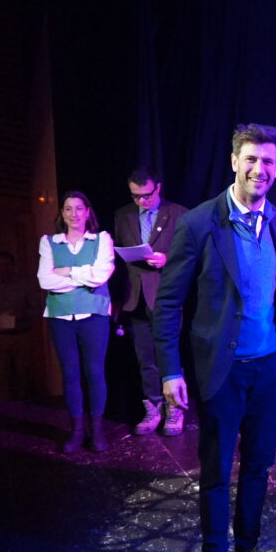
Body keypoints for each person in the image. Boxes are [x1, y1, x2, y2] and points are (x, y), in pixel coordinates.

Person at [154, 124, 276, 552]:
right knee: (215, 472)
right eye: (250, 158)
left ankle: (246, 551)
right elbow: (168, 303)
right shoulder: (198, 223)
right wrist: (170, 370)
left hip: (267, 367)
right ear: (234, 161)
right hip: (221, 369)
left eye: (268, 161)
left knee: (258, 466)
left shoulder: (275, 218)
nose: (259, 169)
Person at [37, 191, 115, 453]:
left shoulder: (101, 239)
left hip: (94, 315)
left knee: (95, 372)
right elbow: (45, 280)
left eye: (79, 208)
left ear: (88, 211)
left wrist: (67, 272)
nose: (74, 214)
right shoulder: (49, 242)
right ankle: (77, 431)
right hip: (61, 317)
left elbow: (101, 275)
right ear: (62, 213)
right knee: (70, 374)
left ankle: (98, 431)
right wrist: (84, 277)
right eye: (68, 209)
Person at [113, 168, 188, 436]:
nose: (141, 201)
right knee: (145, 357)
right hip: (135, 297)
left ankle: (175, 408)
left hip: (165, 296)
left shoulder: (178, 213)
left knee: (169, 354)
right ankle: (153, 407)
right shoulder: (123, 215)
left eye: (146, 195)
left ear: (158, 188)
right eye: (135, 196)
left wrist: (167, 258)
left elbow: (191, 254)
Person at [0, 251, 40, 402]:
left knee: (24, 373)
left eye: (6, 265)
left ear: (13, 266)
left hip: (21, 334)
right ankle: (3, 406)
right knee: (1, 375)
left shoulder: (25, 285)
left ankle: (25, 405)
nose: (3, 268)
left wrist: (21, 314)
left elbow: (37, 308)